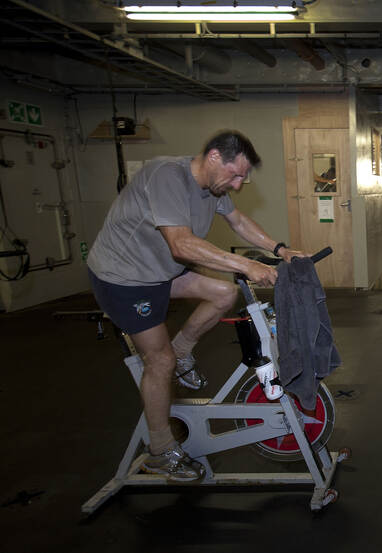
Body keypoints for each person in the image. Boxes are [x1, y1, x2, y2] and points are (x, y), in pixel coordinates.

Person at [87, 130, 305, 481]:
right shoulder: (167, 176)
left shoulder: (212, 187)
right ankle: (159, 451)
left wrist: (279, 250)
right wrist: (247, 265)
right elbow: (182, 245)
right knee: (159, 361)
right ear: (214, 156)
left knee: (222, 294)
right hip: (124, 278)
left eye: (243, 179)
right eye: (235, 175)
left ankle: (183, 350)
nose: (237, 185)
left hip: (160, 272)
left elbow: (238, 222)